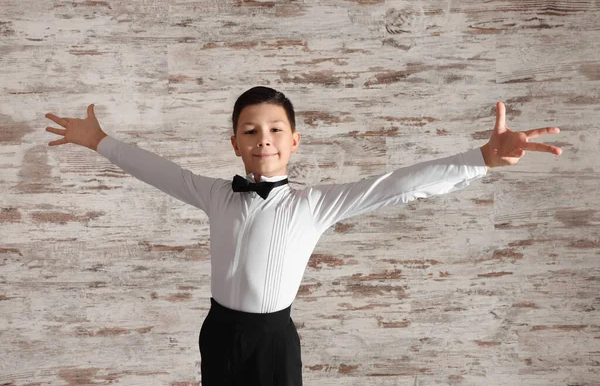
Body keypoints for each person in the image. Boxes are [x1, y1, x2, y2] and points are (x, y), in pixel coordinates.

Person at [44, 86, 562, 385]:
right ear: (235, 143)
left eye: (274, 130)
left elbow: (400, 186)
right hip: (219, 332)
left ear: (294, 140)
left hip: (275, 339)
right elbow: (157, 169)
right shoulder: (214, 194)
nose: (262, 139)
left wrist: (480, 159)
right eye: (250, 131)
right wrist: (100, 141)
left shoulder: (315, 204)